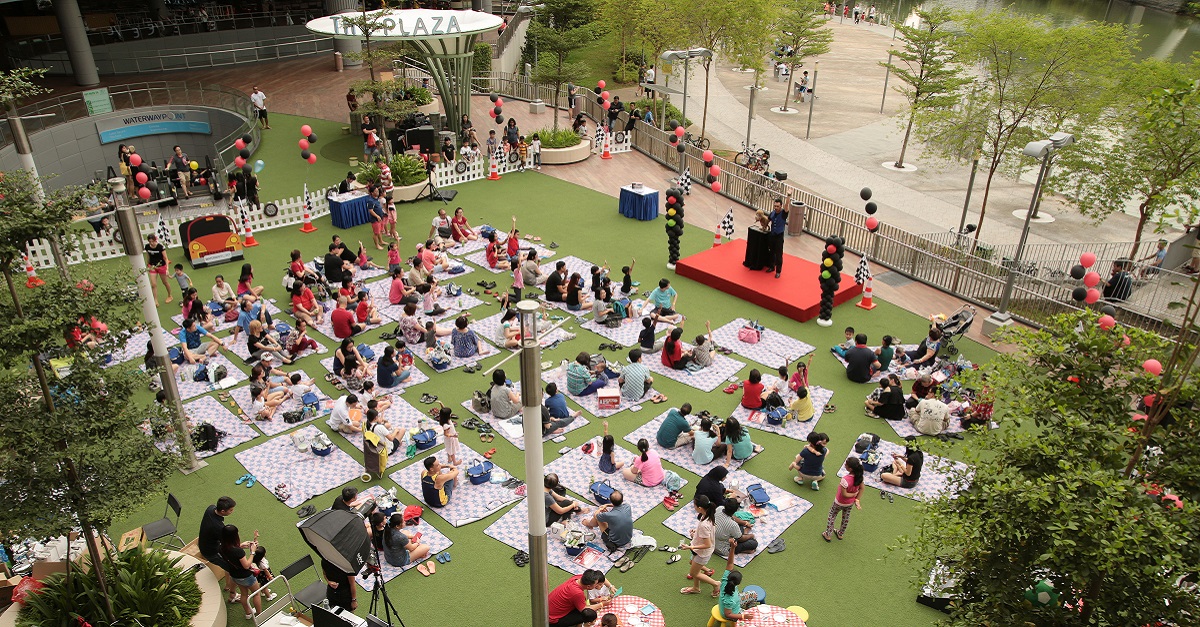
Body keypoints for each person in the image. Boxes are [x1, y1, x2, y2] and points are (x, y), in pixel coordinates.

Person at [198, 496, 239, 602]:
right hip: (211, 552)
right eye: (230, 510)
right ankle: (232, 594)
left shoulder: (210, 509)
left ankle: (227, 585)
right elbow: (228, 546)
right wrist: (240, 546)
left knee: (228, 565)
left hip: (205, 543)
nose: (232, 511)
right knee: (234, 568)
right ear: (222, 511)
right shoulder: (218, 528)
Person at [219, 525, 263, 620]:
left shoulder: (221, 548)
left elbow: (231, 554)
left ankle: (248, 613)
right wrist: (252, 552)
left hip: (235, 576)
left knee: (243, 594)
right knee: (256, 593)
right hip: (246, 576)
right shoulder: (238, 552)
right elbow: (246, 565)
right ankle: (260, 614)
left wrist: (240, 546)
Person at [680, 495, 720, 596]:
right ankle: (696, 587)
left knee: (694, 573)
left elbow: (707, 544)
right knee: (693, 566)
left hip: (702, 553)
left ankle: (716, 584)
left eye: (694, 506)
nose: (694, 507)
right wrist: (696, 532)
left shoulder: (704, 524)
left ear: (700, 508)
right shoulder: (707, 515)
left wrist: (690, 547)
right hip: (701, 550)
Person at [823, 457, 864, 542]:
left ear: (850, 468)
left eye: (846, 464)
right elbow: (862, 488)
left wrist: (853, 494)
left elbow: (844, 494)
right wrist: (857, 499)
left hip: (839, 502)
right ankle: (840, 533)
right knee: (846, 517)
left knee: (832, 515)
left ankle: (828, 534)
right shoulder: (859, 478)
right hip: (850, 503)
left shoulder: (845, 480)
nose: (844, 465)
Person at [716, 540, 755, 624]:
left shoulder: (725, 579)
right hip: (733, 613)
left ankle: (748, 610)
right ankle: (745, 613)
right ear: (738, 583)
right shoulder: (729, 600)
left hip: (735, 602)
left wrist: (733, 548)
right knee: (752, 622)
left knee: (753, 594)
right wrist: (743, 616)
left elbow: (730, 563)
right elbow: (728, 614)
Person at [764, 194, 791, 278]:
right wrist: (764, 226)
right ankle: (772, 266)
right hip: (772, 235)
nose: (776, 208)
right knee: (771, 252)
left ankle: (778, 271)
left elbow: (787, 206)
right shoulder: (772, 213)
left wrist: (788, 196)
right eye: (775, 206)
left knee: (779, 254)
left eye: (777, 206)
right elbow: (768, 220)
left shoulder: (783, 213)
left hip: (779, 236)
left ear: (781, 206)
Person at [144, 233, 173, 305]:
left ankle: (169, 295)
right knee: (153, 284)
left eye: (152, 241)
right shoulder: (147, 247)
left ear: (155, 240)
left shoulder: (160, 247)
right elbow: (148, 255)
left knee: (165, 282)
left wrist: (167, 269)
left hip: (161, 266)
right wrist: (147, 264)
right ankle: (155, 299)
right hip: (152, 266)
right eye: (150, 241)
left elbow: (165, 258)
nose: (151, 243)